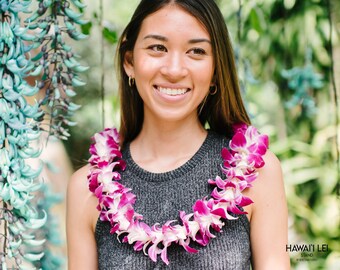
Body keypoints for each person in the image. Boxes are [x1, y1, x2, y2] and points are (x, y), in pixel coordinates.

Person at [66, 0, 290, 269]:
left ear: (216, 70)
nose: (174, 70)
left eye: (196, 51)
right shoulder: (87, 190)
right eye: (157, 48)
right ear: (130, 62)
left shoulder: (257, 173)